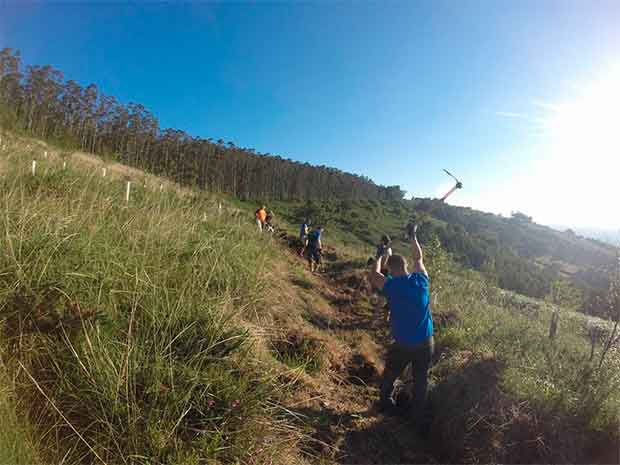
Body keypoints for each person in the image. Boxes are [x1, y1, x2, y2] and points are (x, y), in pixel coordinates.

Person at [368, 223, 434, 435]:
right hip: (426, 342)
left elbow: (374, 275)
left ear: (394, 269)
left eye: (390, 269)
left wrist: (379, 254)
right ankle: (417, 415)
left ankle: (386, 402)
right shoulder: (422, 280)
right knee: (421, 378)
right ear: (405, 267)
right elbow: (418, 258)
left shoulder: (392, 286)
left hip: (404, 344)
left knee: (390, 374)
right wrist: (413, 236)